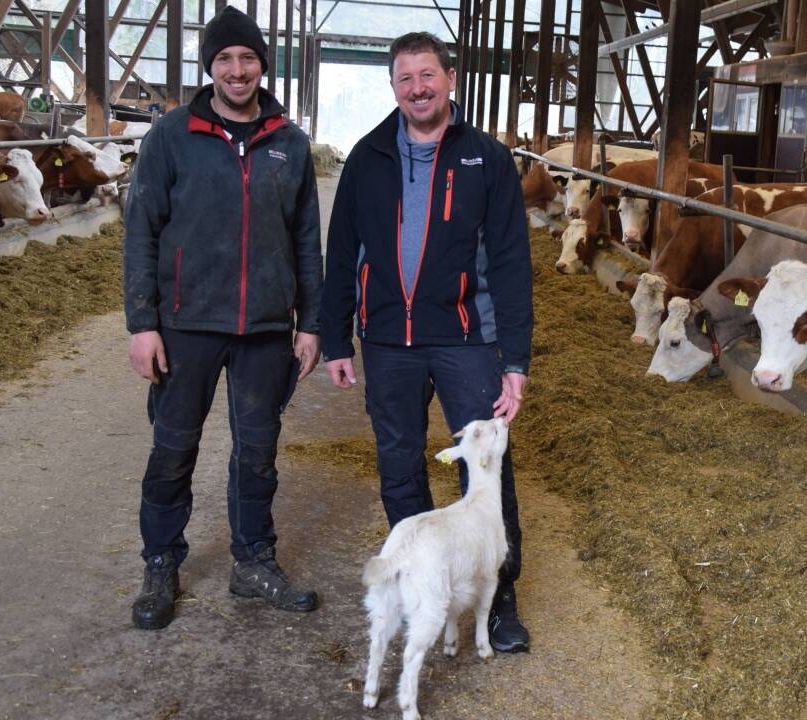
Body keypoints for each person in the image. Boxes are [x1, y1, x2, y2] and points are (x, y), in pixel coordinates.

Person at [319, 32, 533, 652]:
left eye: (428, 75)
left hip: (467, 338)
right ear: (393, 86)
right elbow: (342, 253)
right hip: (388, 339)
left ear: (450, 79)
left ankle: (499, 598)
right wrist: (336, 339)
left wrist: (515, 357)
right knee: (398, 462)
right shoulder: (367, 157)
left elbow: (511, 263)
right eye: (406, 78)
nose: (418, 88)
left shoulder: (487, 159)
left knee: (485, 467)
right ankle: (421, 582)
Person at [123, 5, 324, 631]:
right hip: (186, 324)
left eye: (248, 58)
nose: (237, 70)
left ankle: (253, 562)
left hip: (265, 328)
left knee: (258, 451)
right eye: (225, 59)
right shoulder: (171, 135)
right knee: (173, 447)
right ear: (210, 66)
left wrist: (311, 323)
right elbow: (141, 231)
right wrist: (142, 324)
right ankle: (161, 562)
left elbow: (305, 241)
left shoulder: (289, 143)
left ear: (263, 64)